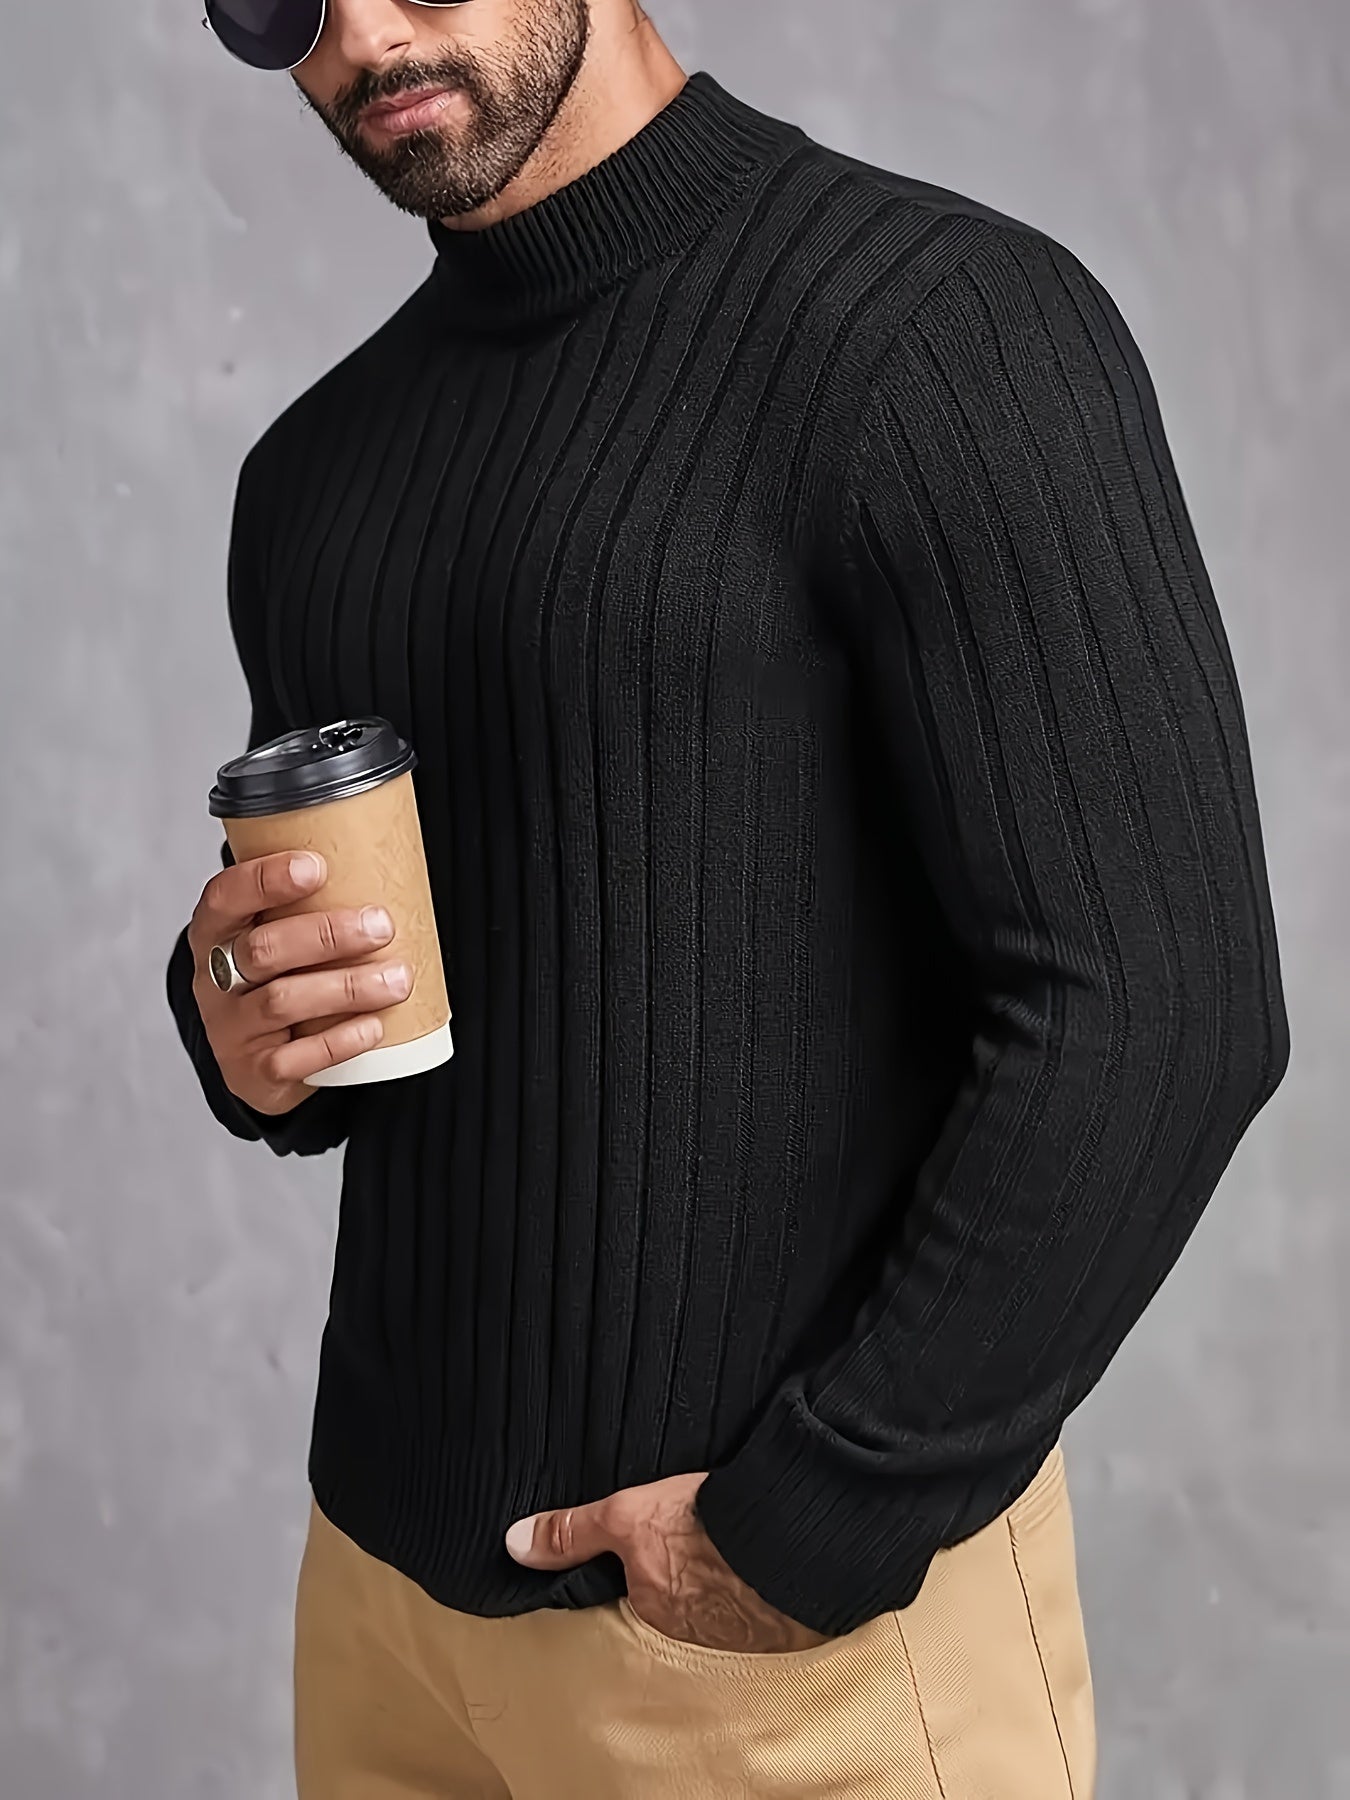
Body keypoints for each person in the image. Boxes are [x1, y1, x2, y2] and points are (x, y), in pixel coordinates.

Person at [167, 1, 1290, 1794]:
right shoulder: (312, 471)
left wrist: (813, 1523)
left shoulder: (940, 326)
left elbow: (1162, 1007)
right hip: (385, 1610)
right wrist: (233, 1019)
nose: (364, 34)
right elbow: (466, 967)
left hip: (772, 1650)